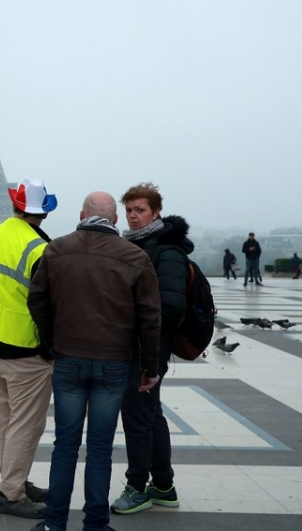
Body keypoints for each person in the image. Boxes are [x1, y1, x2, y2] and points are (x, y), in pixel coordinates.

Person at [28, 191, 161, 531]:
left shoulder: (55, 249)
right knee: (101, 448)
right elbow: (150, 317)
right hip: (114, 363)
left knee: (65, 446)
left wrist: (51, 342)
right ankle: (96, 525)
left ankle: (54, 524)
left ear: (81, 213)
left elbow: (37, 301)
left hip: (68, 359)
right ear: (115, 220)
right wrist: (150, 366)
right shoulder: (134, 256)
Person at [0, 178, 57, 519]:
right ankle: (9, 493)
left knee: (8, 422)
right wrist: (51, 345)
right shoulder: (38, 248)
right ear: (44, 212)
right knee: (27, 424)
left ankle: (14, 482)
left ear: (15, 205)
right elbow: (45, 304)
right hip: (24, 349)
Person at [111, 182, 188, 516]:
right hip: (141, 346)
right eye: (129, 210)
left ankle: (138, 486)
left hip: (147, 349)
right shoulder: (138, 246)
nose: (133, 217)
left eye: (140, 210)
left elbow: (169, 306)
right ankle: (164, 485)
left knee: (138, 419)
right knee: (151, 417)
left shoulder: (165, 252)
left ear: (156, 212)